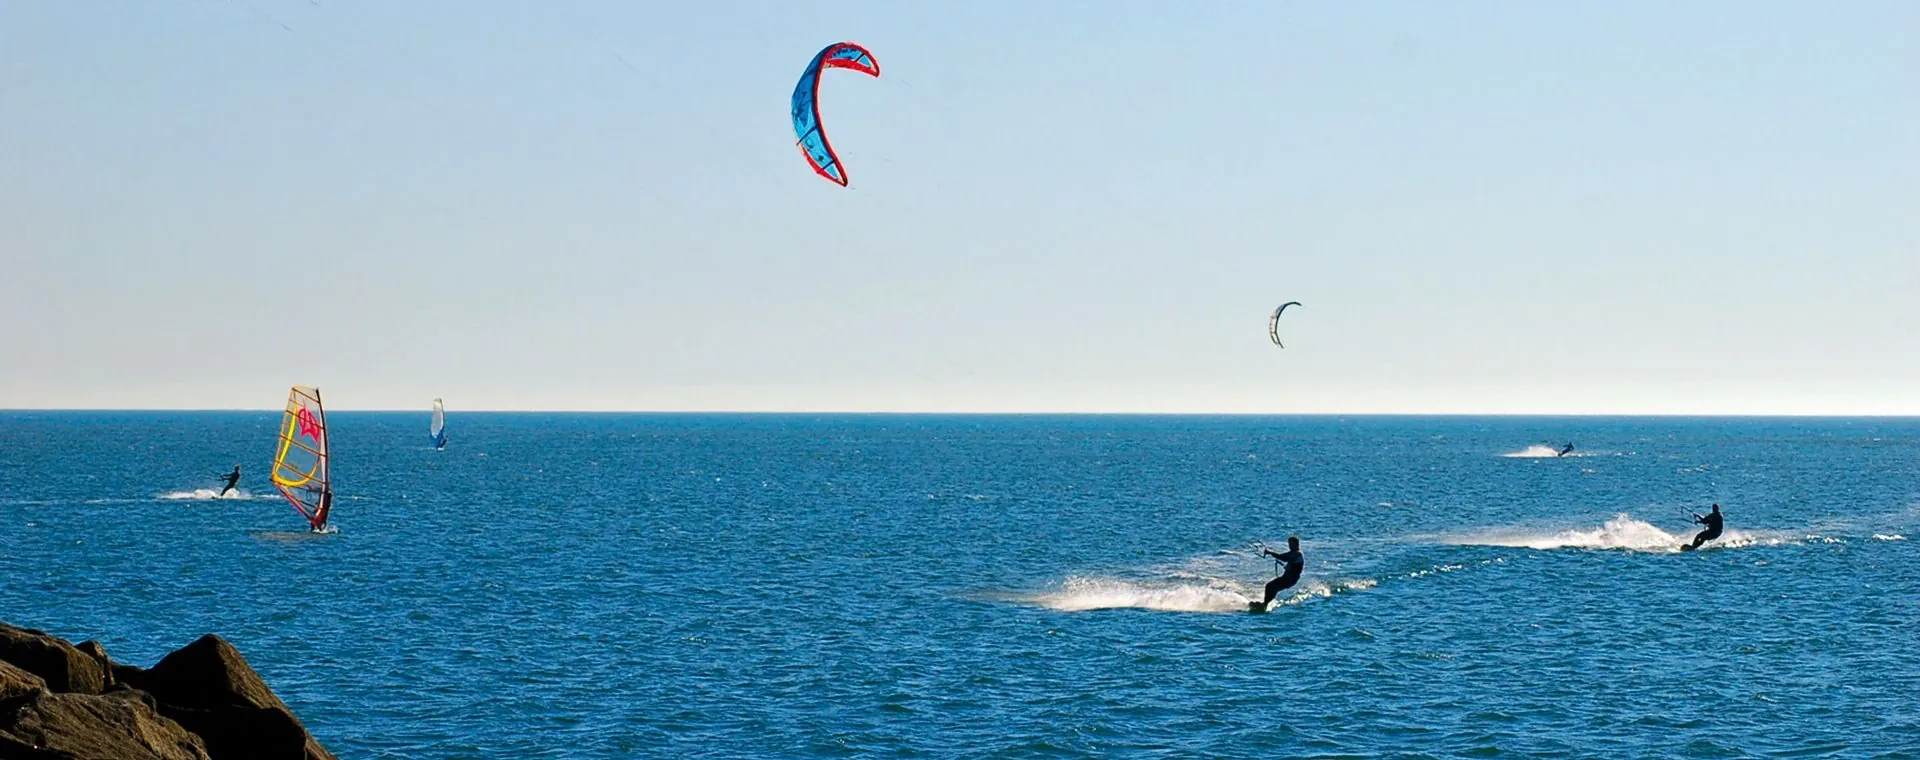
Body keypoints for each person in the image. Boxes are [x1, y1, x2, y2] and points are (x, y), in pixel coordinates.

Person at [1261, 537, 1305, 606]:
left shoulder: (1298, 554)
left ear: (1296, 544)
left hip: (1290, 580)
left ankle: (1265, 604)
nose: (1289, 545)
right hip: (1286, 578)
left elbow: (1283, 558)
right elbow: (1283, 557)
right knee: (1270, 586)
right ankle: (1265, 603)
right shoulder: (1292, 553)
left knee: (1272, 586)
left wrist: (1270, 552)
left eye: (1291, 544)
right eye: (1289, 544)